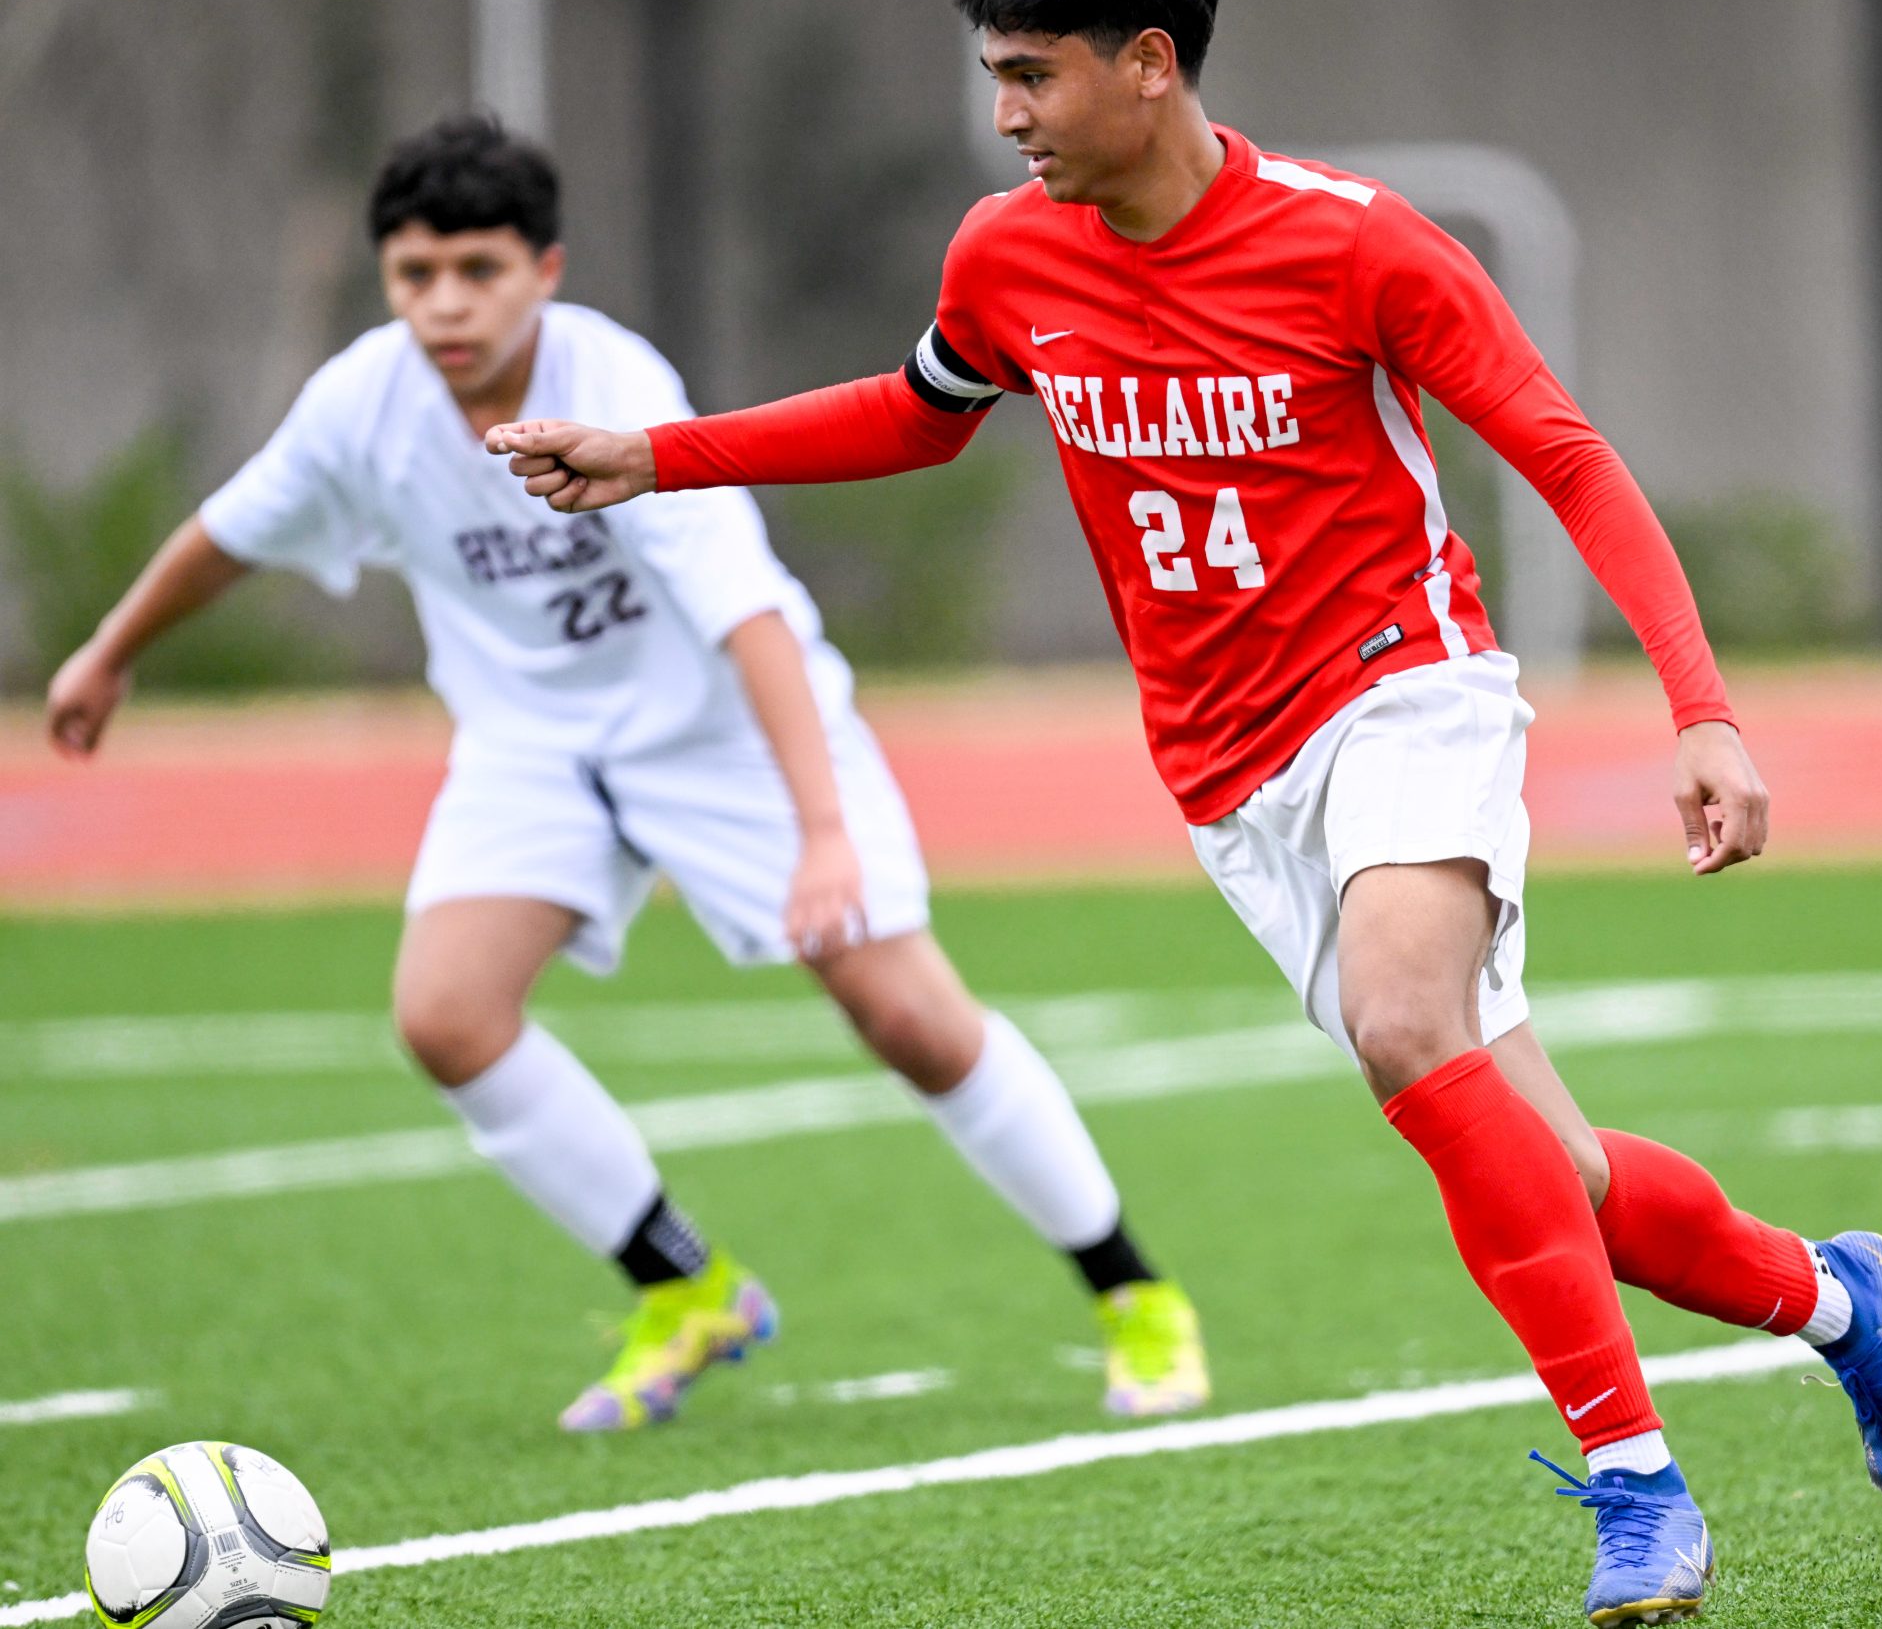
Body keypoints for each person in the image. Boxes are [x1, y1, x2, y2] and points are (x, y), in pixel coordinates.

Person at [490, 0, 1882, 1619]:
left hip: (1403, 694)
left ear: (1148, 60)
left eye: (1031, 75)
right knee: (1545, 1172)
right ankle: (1839, 1299)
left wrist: (1701, 708)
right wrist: (658, 460)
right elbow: (924, 408)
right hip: (1228, 776)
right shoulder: (1008, 256)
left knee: (1414, 1030)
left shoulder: (1361, 247)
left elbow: (1564, 453)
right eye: (995, 78)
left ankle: (1637, 1481)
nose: (1007, 118)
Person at [42, 114, 1206, 1434]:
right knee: (446, 1014)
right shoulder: (360, 403)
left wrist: (825, 833)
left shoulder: (617, 385)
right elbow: (230, 528)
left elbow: (750, 618)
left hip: (720, 735)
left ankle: (1135, 1292)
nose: (444, 303)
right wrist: (108, 651)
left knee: (911, 1017)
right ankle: (685, 1284)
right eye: (414, 274)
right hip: (532, 746)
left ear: (547, 268)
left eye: (477, 269)